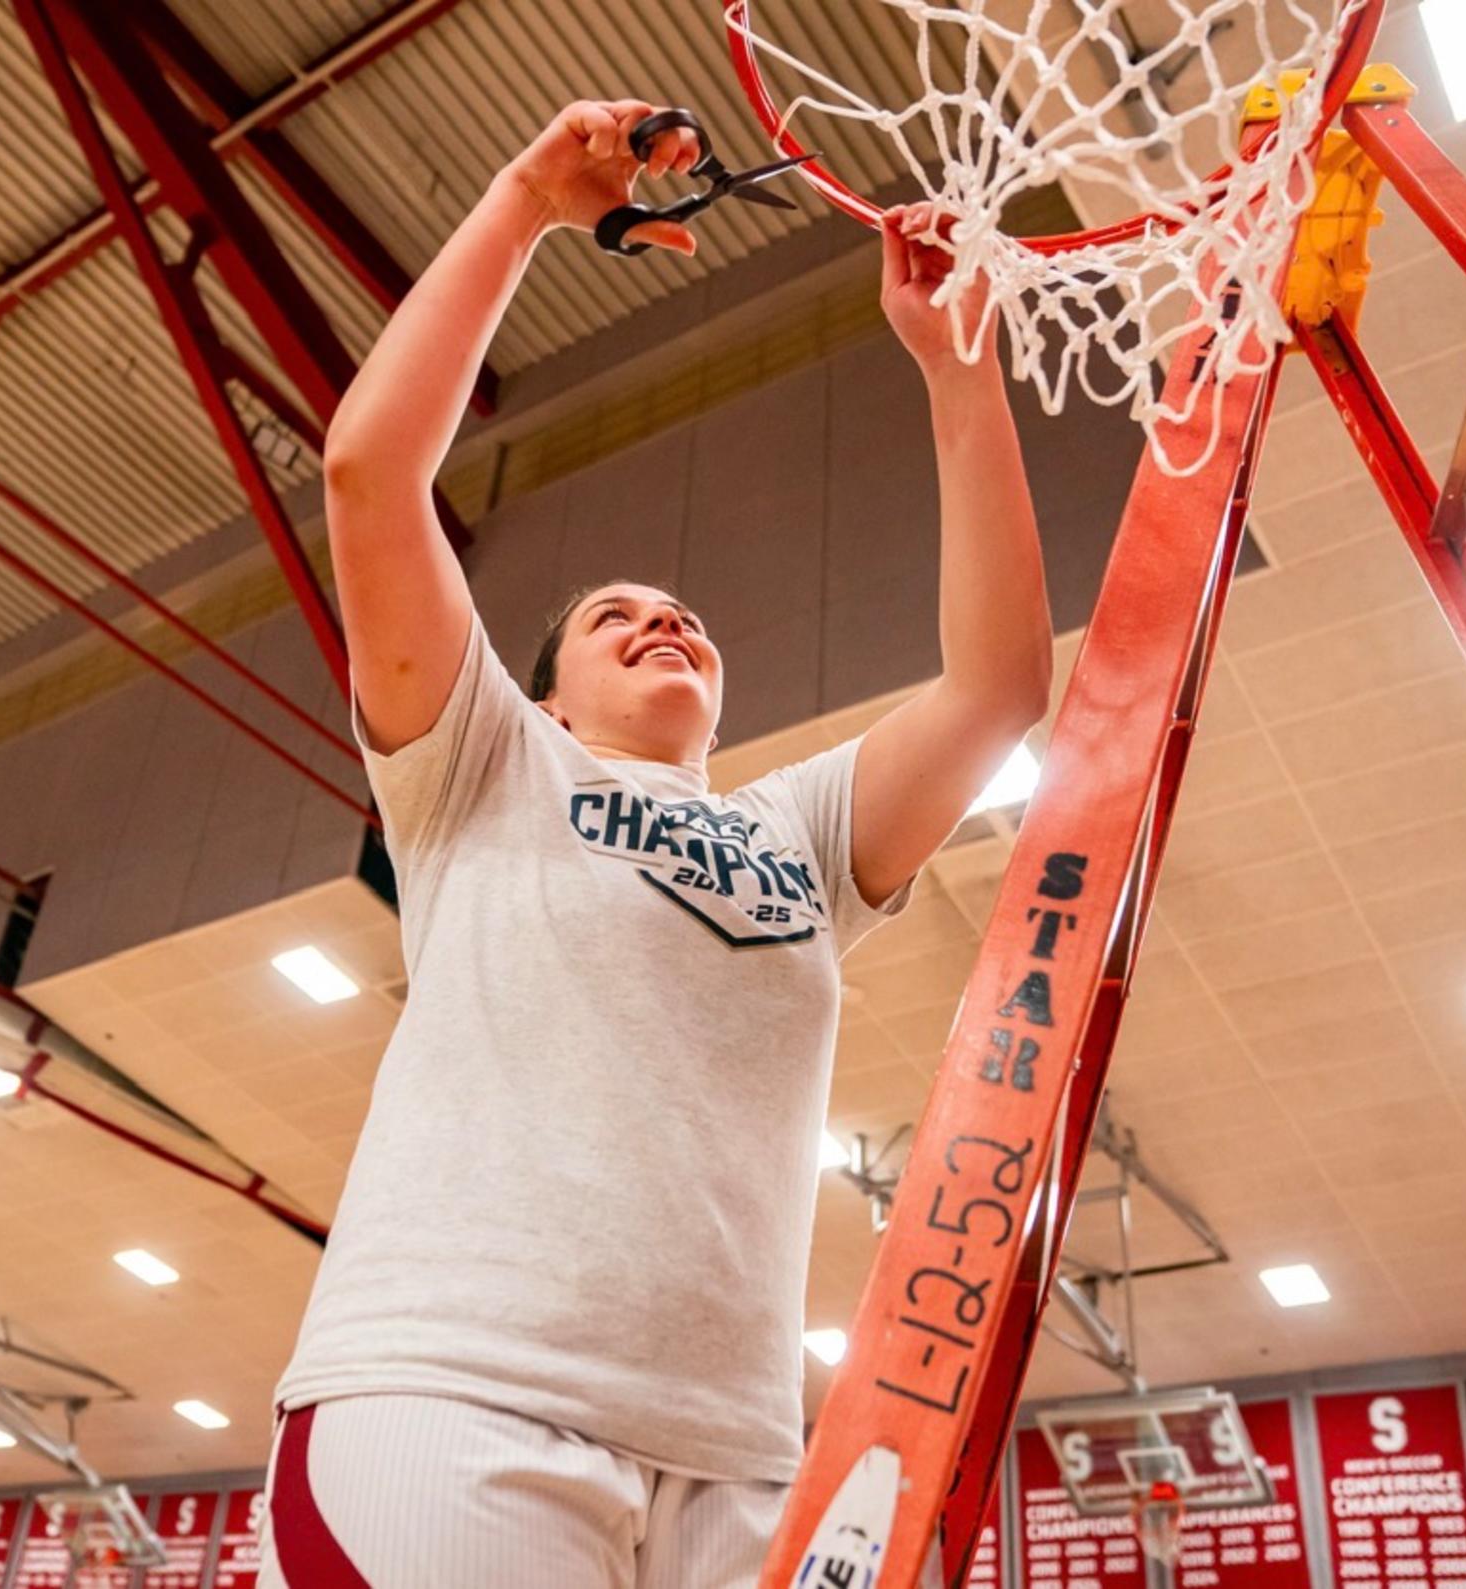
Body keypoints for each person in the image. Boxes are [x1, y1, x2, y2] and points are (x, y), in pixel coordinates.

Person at [263, 100, 1052, 1588]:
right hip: (453, 1393)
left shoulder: (797, 835)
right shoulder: (485, 759)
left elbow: (1003, 686)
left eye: (682, 614)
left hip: (739, 1448)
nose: (662, 621)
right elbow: (369, 470)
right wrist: (520, 203)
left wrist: (959, 378)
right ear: (546, 692)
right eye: (614, 618)